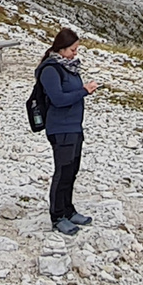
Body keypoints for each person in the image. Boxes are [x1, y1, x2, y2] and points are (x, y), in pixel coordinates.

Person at [38, 27, 97, 235]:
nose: (75, 53)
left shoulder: (70, 67)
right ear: (61, 49)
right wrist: (84, 91)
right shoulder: (50, 70)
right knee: (62, 172)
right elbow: (58, 99)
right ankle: (57, 216)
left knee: (72, 170)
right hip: (60, 128)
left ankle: (69, 210)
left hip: (74, 127)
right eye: (73, 50)